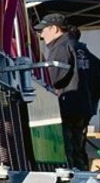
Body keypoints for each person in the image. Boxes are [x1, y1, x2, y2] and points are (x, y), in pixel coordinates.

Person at [36, 12, 91, 170]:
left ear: (54, 29)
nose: (41, 35)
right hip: (83, 108)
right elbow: (97, 81)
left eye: (43, 30)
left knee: (67, 154)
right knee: (79, 152)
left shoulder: (60, 47)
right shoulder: (82, 49)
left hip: (66, 107)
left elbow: (53, 79)